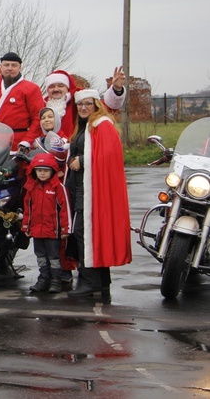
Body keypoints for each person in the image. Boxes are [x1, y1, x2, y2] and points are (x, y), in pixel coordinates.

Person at [65, 89, 131, 301]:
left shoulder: (102, 124)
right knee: (89, 233)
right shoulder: (84, 126)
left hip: (91, 190)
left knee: (85, 233)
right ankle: (101, 282)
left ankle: (90, 282)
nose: (83, 108)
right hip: (81, 188)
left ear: (96, 105)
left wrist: (82, 161)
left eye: (87, 104)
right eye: (80, 104)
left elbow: (107, 154)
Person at [21, 152, 71, 294]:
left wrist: (66, 228)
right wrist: (26, 225)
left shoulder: (58, 187)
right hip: (37, 230)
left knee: (54, 256)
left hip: (53, 231)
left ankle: (55, 280)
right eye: (39, 170)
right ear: (34, 171)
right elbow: (28, 209)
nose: (42, 174)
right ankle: (43, 279)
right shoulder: (31, 188)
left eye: (46, 171)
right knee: (40, 256)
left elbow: (64, 209)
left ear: (52, 171)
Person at [43, 68, 126, 137]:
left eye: (60, 86)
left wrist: (116, 89)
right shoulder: (42, 104)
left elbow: (104, 107)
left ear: (67, 88)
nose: (56, 89)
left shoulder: (78, 99)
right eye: (52, 86)